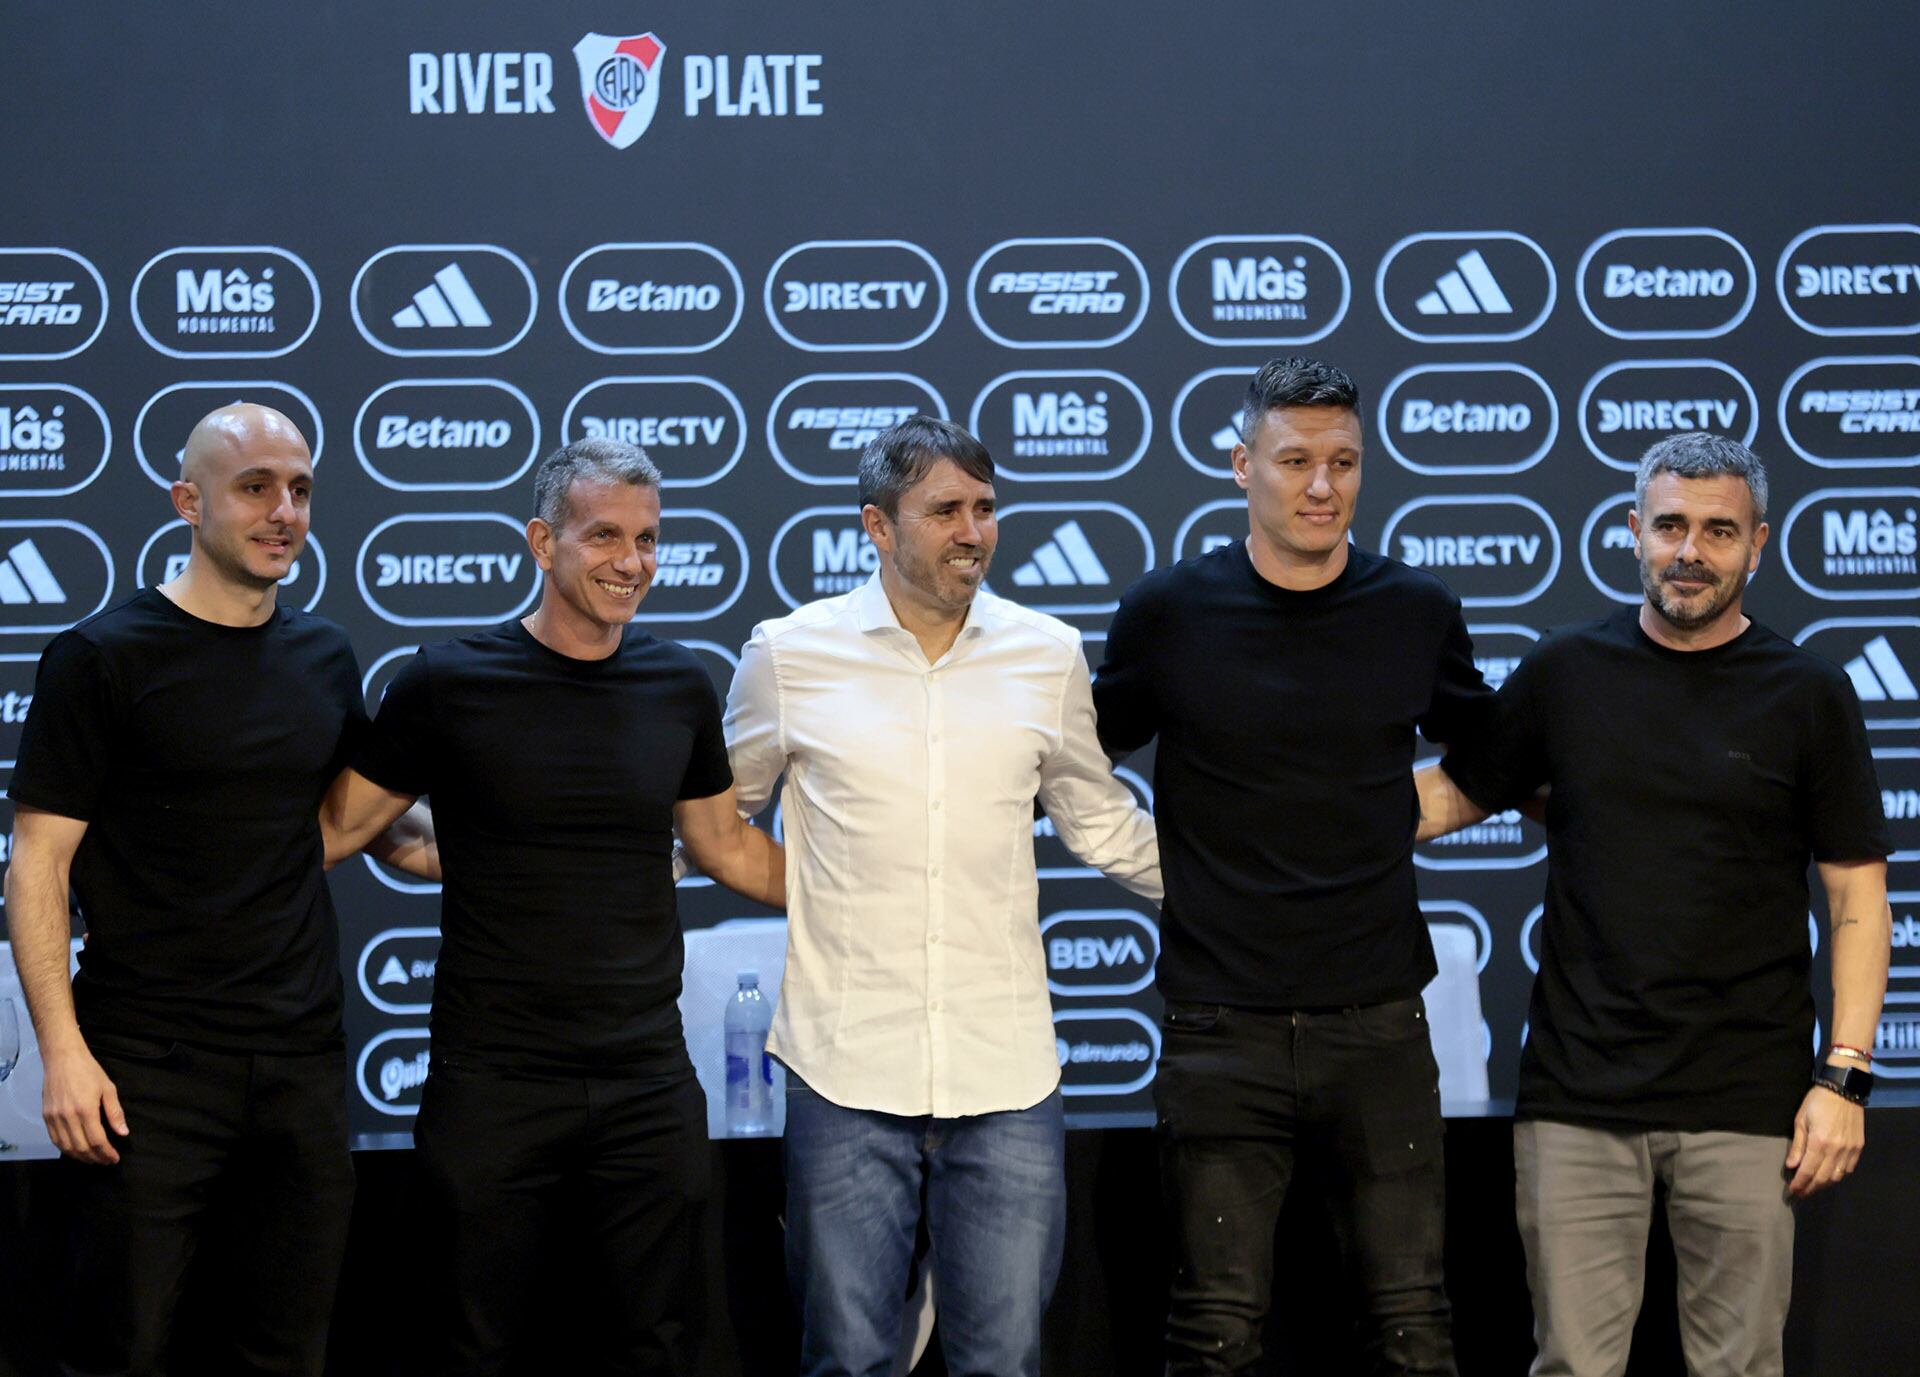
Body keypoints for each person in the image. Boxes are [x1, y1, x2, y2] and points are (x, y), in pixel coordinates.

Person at [1416, 432, 1892, 1377]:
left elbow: (1857, 900)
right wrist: (1298, 802)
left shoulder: (1809, 693)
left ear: (1759, 543)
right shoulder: (1566, 672)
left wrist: (1843, 1080)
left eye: (1719, 530)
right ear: (1633, 531)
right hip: (1577, 1097)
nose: (1690, 550)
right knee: (1572, 1366)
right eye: (1670, 524)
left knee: (1741, 1366)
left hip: (1750, 1100)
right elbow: (1452, 795)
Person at [319, 438, 783, 1376]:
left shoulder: (679, 683)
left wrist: (888, 885)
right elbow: (338, 824)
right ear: (542, 541)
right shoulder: (448, 682)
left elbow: (726, 846)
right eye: (604, 534)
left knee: (666, 1341)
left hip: (646, 1075)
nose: (631, 561)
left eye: (649, 538)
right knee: (474, 1342)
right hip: (493, 1079)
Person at [723, 415, 1161, 1377]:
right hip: (844, 1068)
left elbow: (1100, 824)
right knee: (846, 1359)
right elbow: (716, 818)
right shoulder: (788, 655)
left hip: (1004, 1074)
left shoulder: (1045, 654)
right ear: (877, 526)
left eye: (986, 508)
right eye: (945, 510)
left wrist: (1246, 893)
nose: (973, 531)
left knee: (1004, 1361)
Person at [1093, 357, 1489, 1375]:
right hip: (1219, 1024)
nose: (1323, 486)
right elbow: (1079, 759)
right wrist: (1159, 855)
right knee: (1214, 1331)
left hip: (1379, 1025)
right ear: (1242, 466)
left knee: (1415, 1325)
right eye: (1297, 460)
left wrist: (1386, 818)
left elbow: (1495, 755)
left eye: (1345, 461)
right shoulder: (1168, 611)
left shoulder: (1415, 608)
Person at [4, 403, 361, 1376]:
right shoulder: (102, 657)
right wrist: (63, 1055)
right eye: (254, 487)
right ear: (187, 500)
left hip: (302, 1068)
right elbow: (38, 863)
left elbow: (349, 828)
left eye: (299, 489)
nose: (283, 510)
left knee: (285, 1353)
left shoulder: (326, 658)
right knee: (121, 1350)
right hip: (147, 1073)